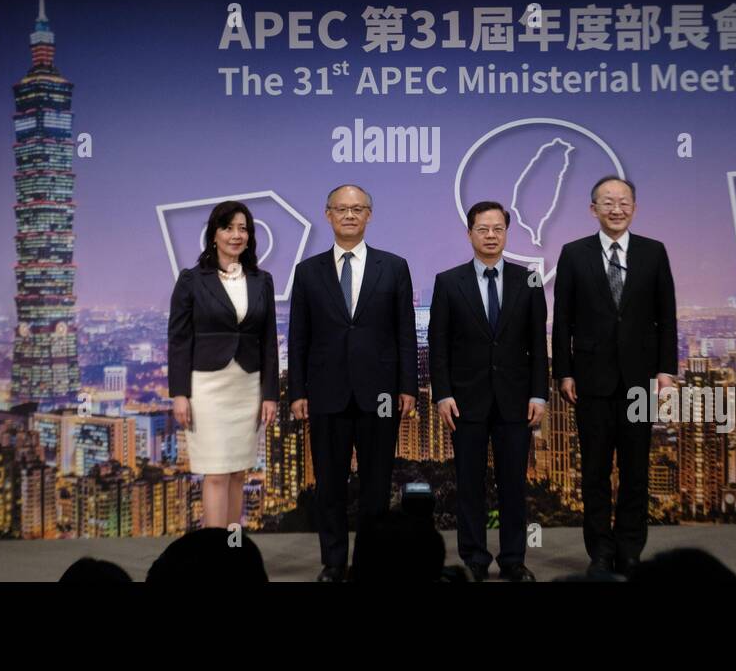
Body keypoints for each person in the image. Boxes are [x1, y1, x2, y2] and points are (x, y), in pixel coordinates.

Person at [288, 184, 419, 581]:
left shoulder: (394, 267)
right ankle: (333, 562)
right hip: (325, 393)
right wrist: (297, 391)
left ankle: (368, 562)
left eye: (357, 208)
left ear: (369, 215)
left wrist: (408, 387)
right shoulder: (307, 271)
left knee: (376, 486)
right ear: (327, 214)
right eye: (341, 209)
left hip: (380, 394)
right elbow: (299, 338)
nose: (349, 215)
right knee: (329, 484)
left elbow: (405, 333)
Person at [552, 176, 677, 579]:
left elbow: (667, 316)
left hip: (639, 379)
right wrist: (564, 372)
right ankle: (600, 552)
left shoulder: (654, 253)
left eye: (624, 202)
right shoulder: (573, 254)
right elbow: (563, 320)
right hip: (591, 380)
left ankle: (630, 549)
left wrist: (666, 370)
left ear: (634, 208)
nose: (616, 209)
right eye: (608, 202)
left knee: (637, 470)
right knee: (594, 472)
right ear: (593, 209)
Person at [428, 200, 547, 581]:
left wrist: (538, 394)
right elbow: (439, 344)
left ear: (507, 233)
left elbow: (537, 343)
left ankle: (514, 560)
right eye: (483, 229)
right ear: (470, 233)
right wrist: (443, 393)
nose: (491, 235)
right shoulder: (448, 282)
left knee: (513, 484)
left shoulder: (528, 279)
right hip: (465, 402)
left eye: (498, 228)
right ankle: (475, 559)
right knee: (469, 485)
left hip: (516, 401)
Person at [168, 200, 278, 528]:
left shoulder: (262, 280)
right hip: (207, 388)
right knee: (216, 474)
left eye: (243, 229)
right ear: (214, 234)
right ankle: (214, 559)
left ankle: (233, 552)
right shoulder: (191, 280)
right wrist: (179, 394)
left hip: (247, 386)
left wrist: (270, 394)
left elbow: (269, 341)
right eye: (228, 228)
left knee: (238, 474)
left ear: (250, 236)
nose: (236, 235)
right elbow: (178, 340)